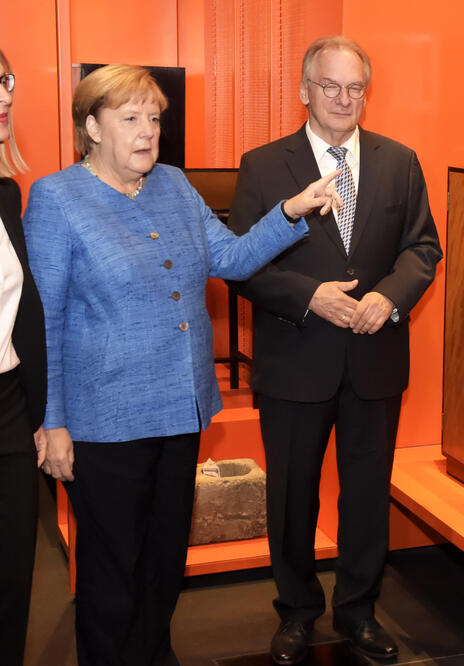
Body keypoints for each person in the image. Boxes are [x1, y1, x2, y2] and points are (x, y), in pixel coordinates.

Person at [24, 63, 341, 666]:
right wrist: (52, 421)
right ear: (92, 127)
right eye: (131, 119)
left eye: (154, 119)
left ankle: (153, 653)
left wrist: (291, 210)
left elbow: (233, 258)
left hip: (180, 409)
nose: (148, 131)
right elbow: (47, 321)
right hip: (104, 421)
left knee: (164, 562)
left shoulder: (172, 183)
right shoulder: (57, 198)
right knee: (112, 573)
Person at [228, 35, 441, 664]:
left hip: (375, 358)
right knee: (291, 497)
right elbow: (240, 262)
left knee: (367, 495)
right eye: (330, 86)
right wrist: (309, 297)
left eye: (355, 88)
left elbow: (422, 247)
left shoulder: (399, 161)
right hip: (296, 358)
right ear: (304, 90)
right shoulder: (263, 165)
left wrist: (390, 297)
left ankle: (359, 611)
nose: (344, 99)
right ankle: (296, 612)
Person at [0, 49, 48, 666]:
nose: (6, 94)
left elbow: (26, 315)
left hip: (9, 408)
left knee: (12, 581)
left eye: (5, 80)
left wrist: (40, 413)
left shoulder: (7, 195)